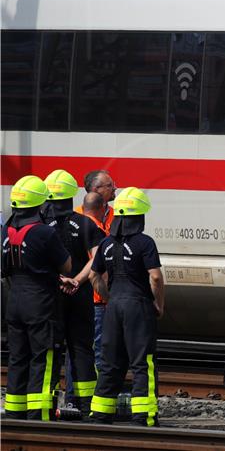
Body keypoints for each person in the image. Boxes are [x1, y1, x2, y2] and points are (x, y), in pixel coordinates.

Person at [88, 187, 165, 426]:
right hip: (138, 306)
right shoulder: (145, 243)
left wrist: (110, 297)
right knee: (143, 362)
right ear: (140, 216)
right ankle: (144, 415)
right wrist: (158, 304)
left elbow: (93, 275)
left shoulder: (106, 244)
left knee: (110, 362)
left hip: (113, 308)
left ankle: (101, 413)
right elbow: (155, 277)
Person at [2, 175, 73, 420]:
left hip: (14, 301)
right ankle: (40, 412)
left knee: (18, 356)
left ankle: (14, 409)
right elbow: (66, 266)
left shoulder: (6, 230)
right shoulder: (44, 232)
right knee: (43, 357)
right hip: (40, 302)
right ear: (41, 205)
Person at [43, 170, 105, 416]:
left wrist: (58, 280)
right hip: (79, 297)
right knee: (82, 350)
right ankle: (84, 405)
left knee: (51, 351)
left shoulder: (39, 225)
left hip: (51, 297)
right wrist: (77, 280)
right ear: (72, 195)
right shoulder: (84, 223)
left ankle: (47, 403)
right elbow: (98, 256)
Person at [82, 192, 111, 377]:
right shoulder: (96, 229)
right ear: (101, 208)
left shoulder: (73, 223)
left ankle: (75, 396)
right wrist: (108, 296)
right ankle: (99, 391)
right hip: (97, 299)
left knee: (80, 349)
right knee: (99, 350)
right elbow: (97, 269)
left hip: (80, 297)